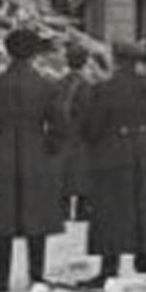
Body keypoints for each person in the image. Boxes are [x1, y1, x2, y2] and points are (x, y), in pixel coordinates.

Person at [0, 28, 66, 292]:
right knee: (37, 217)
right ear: (35, 53)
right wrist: (49, 148)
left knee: (2, 217)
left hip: (3, 152)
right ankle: (37, 276)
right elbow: (60, 126)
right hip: (35, 152)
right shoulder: (47, 86)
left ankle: (1, 278)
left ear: (8, 51)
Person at [76, 42, 146, 288]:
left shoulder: (104, 89)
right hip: (143, 151)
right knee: (142, 206)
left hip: (112, 152)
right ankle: (144, 264)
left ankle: (109, 268)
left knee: (110, 209)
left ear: (115, 60)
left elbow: (92, 126)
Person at [55, 40, 95, 223]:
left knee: (63, 171)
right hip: (81, 135)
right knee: (82, 172)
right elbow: (89, 112)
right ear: (85, 62)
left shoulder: (59, 83)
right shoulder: (87, 85)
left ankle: (61, 209)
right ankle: (82, 209)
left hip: (62, 133)